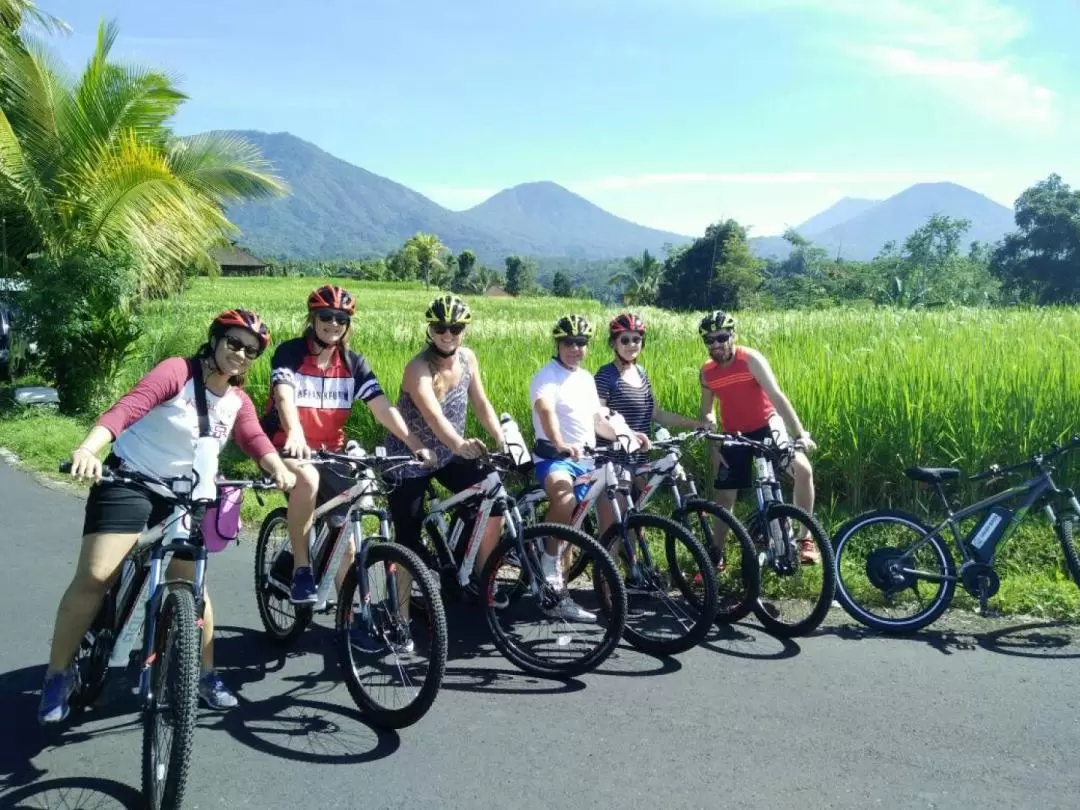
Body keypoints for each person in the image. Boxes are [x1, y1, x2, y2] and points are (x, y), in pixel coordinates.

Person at [39, 309, 297, 724]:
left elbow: (254, 438)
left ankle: (205, 674)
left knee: (193, 585)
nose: (241, 355)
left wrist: (279, 469)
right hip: (131, 479)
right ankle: (58, 674)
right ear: (215, 340)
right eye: (234, 343)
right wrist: (89, 449)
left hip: (184, 496)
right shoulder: (177, 371)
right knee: (97, 575)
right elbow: (127, 409)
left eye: (251, 351)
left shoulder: (237, 401)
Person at [260, 284, 433, 605]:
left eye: (341, 319)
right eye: (326, 316)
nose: (334, 324)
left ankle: (353, 619)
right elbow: (284, 395)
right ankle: (301, 570)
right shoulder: (291, 353)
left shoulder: (354, 364)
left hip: (331, 452)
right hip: (287, 445)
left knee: (347, 540)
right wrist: (295, 431)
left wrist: (414, 443)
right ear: (312, 318)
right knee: (307, 480)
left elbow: (382, 407)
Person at [384, 295, 509, 608]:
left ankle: (483, 579)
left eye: (455, 327)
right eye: (441, 327)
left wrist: (500, 437)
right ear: (431, 329)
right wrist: (461, 445)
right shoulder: (418, 368)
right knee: (408, 540)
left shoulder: (468, 358)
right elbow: (433, 416)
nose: (448, 333)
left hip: (449, 454)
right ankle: (398, 614)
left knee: (492, 496)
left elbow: (481, 403)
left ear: (464, 329)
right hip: (410, 458)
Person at [529, 313, 650, 621]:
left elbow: (599, 418)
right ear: (558, 344)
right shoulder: (547, 376)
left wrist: (627, 435)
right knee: (566, 501)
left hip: (585, 460)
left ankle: (560, 598)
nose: (575, 348)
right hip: (554, 459)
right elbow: (546, 411)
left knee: (575, 529)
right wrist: (558, 442)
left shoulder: (584, 378)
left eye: (581, 343)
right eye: (569, 342)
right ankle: (547, 557)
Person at [697, 309, 820, 565]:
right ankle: (716, 557)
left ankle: (805, 540)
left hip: (766, 426)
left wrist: (799, 433)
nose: (716, 344)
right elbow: (707, 411)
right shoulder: (707, 372)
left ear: (732, 335)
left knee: (803, 471)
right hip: (734, 434)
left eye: (721, 337)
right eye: (709, 340)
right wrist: (712, 441)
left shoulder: (750, 359)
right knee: (724, 498)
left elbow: (776, 395)